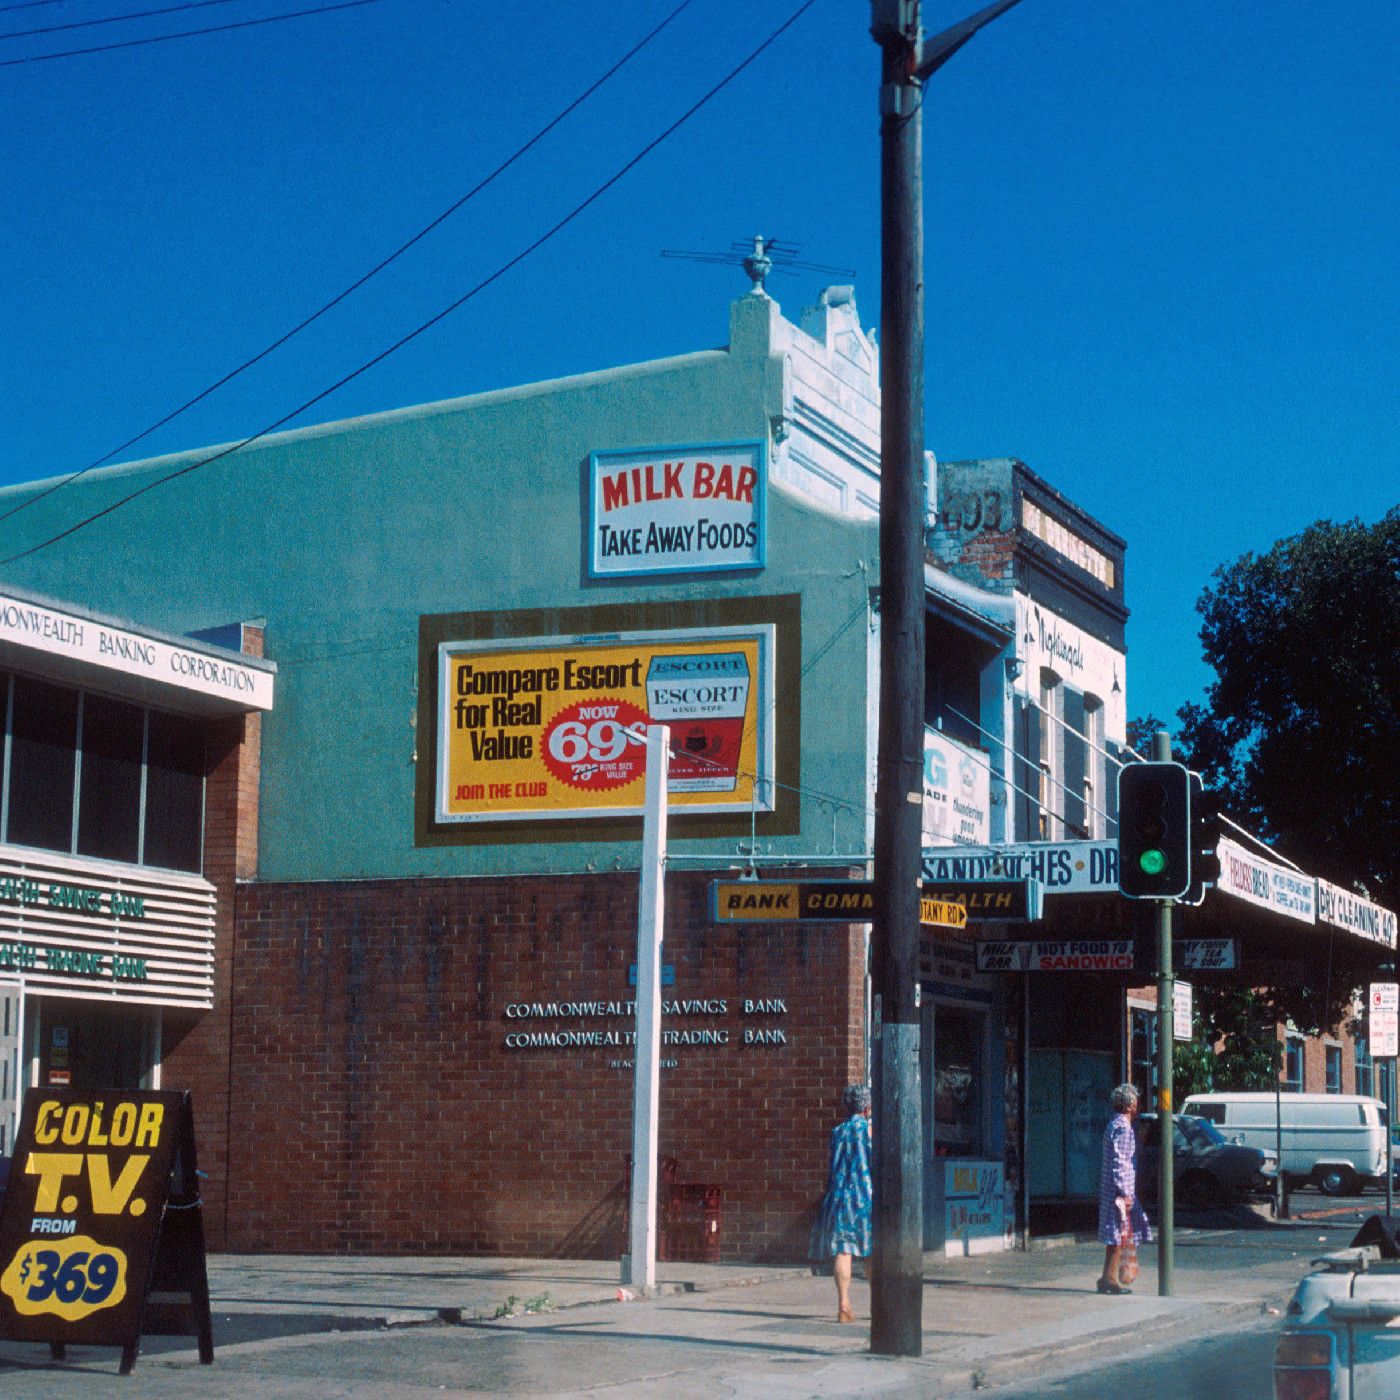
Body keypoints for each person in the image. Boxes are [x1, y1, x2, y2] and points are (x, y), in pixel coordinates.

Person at [809, 1083, 873, 1323]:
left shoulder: (836, 1132)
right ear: (867, 1107)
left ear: (846, 1106)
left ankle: (843, 1303)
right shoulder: (869, 1130)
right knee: (870, 1252)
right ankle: (877, 1303)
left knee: (843, 1252)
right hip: (865, 1198)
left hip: (838, 1199)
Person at [1097, 1082, 1152, 1294]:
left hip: (1115, 1190)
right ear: (1129, 1104)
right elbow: (1121, 1162)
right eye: (1136, 1101)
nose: (1138, 1105)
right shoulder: (1122, 1127)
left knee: (1118, 1234)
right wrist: (1125, 1193)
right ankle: (1109, 1280)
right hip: (1119, 1192)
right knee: (1118, 1234)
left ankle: (1108, 1278)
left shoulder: (1116, 1125)